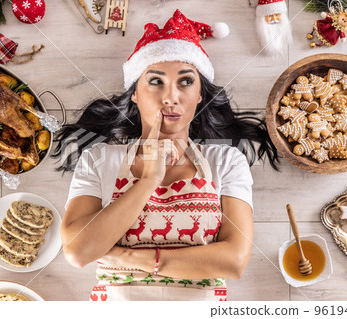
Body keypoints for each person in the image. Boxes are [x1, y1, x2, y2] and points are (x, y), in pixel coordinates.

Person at [54, 9, 279, 301]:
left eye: (185, 82)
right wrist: (148, 181)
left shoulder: (226, 161)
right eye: (156, 81)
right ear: (134, 92)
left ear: (200, 95)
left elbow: (234, 261)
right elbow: (78, 251)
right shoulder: (100, 159)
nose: (170, 97)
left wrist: (131, 259)